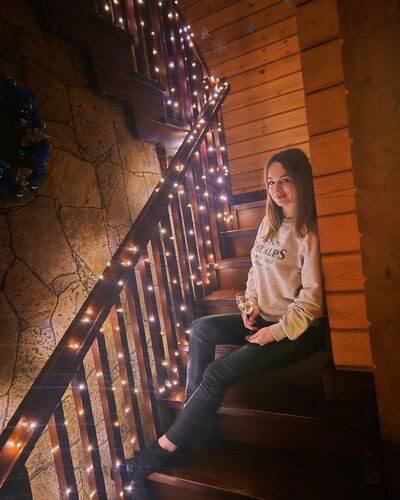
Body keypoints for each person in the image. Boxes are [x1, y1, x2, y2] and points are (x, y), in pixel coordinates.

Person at [113, 147, 325, 482]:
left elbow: (313, 301)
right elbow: (255, 270)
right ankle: (196, 425)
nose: (277, 189)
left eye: (285, 180)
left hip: (296, 331)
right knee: (201, 328)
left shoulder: (309, 232)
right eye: (271, 182)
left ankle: (158, 452)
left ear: (301, 180)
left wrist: (274, 332)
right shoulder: (269, 223)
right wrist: (252, 302)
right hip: (265, 317)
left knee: (217, 372)